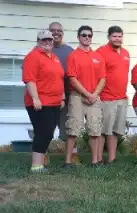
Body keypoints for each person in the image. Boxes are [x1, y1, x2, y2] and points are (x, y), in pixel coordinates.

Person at [22, 29, 65, 173]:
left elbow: (59, 78)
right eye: (44, 40)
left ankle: (40, 163)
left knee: (48, 132)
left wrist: (62, 97)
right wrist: (35, 98)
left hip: (54, 102)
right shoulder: (33, 56)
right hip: (40, 102)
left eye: (50, 40)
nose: (47, 42)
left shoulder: (54, 57)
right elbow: (29, 79)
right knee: (43, 132)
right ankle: (36, 166)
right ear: (38, 41)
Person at [64, 25, 106, 168]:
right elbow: (72, 78)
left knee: (95, 130)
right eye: (84, 35)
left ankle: (95, 161)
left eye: (89, 35)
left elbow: (103, 78)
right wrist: (87, 94)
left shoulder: (98, 57)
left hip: (94, 97)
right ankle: (68, 161)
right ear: (78, 37)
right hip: (77, 96)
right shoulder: (73, 56)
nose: (86, 38)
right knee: (73, 129)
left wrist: (94, 95)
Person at [96, 26, 130, 164]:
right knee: (104, 131)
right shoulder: (101, 52)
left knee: (116, 131)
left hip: (122, 98)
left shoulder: (126, 53)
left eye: (120, 36)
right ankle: (98, 159)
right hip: (106, 98)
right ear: (109, 37)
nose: (117, 39)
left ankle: (111, 158)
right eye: (114, 36)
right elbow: (96, 74)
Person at [48, 22, 81, 166]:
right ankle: (42, 156)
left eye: (59, 30)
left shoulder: (70, 51)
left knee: (69, 127)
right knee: (45, 128)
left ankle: (73, 156)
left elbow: (77, 73)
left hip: (67, 97)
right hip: (46, 97)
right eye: (53, 30)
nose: (56, 33)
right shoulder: (41, 49)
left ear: (63, 32)